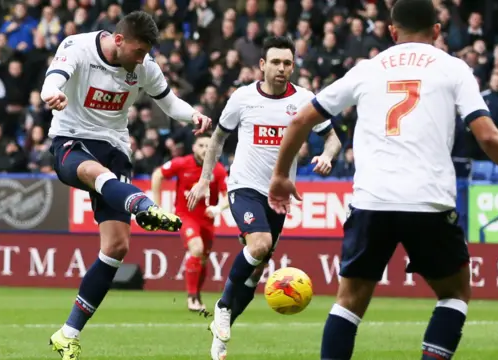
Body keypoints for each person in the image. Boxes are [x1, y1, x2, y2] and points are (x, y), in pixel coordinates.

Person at [267, 0, 498, 359]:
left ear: (392, 31)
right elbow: (487, 136)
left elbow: (302, 119)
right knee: (454, 295)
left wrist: (281, 175)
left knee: (349, 302)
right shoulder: (453, 69)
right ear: (437, 31)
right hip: (428, 201)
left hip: (371, 201)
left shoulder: (367, 69)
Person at [40, 11, 212, 360]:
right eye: (137, 51)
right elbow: (52, 79)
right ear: (118, 40)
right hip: (72, 140)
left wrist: (192, 113)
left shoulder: (145, 65)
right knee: (90, 170)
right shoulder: (77, 47)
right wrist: (51, 94)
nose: (141, 58)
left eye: (145, 52)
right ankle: (141, 205)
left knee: (117, 247)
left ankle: (67, 334)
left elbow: (169, 102)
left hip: (115, 148)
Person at [186, 36, 342, 360]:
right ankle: (223, 306)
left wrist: (327, 156)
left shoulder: (304, 100)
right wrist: (204, 180)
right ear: (262, 65)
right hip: (243, 186)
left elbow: (332, 138)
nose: (282, 68)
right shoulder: (242, 98)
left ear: (293, 66)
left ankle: (220, 337)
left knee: (257, 270)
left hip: (278, 196)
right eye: (275, 62)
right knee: (258, 246)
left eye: (287, 63)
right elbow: (217, 139)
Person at [150, 133, 229, 312]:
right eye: (201, 145)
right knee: (196, 248)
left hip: (207, 220)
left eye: (209, 146)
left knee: (203, 259)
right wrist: (157, 205)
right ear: (194, 147)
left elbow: (227, 197)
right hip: (186, 217)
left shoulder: (218, 170)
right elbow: (157, 175)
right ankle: (191, 298)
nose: (205, 149)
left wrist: (217, 209)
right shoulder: (182, 163)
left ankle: (197, 295)